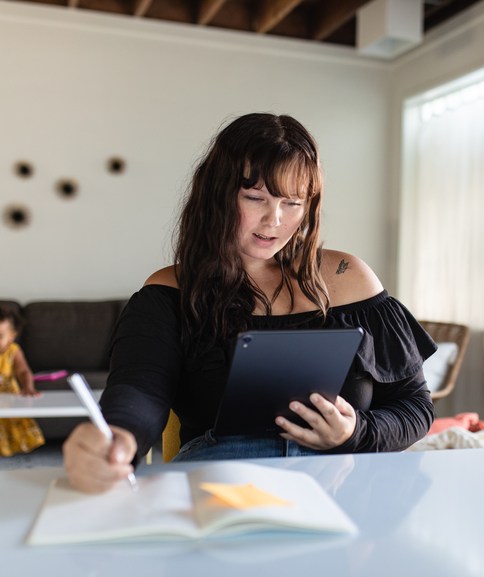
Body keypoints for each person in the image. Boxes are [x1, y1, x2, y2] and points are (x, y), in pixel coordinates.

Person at [63, 112, 436, 493]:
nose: (274, 219)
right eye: (255, 197)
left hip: (340, 485)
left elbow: (415, 407)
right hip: (220, 485)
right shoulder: (170, 291)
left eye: (292, 202)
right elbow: (139, 391)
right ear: (217, 195)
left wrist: (355, 431)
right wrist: (118, 437)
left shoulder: (348, 278)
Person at [0, 306, 45, 457]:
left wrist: (28, 387)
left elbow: (23, 371)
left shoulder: (13, 351)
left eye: (0, 336)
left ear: (12, 335)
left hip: (7, 397)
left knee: (12, 421)